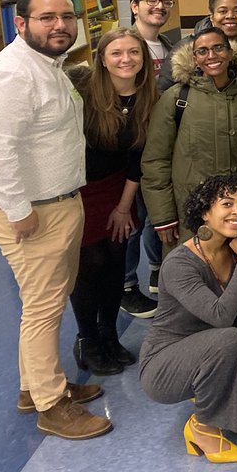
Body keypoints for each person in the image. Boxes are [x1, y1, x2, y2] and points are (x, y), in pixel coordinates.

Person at [0, 0, 112, 440]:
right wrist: (19, 211)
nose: (59, 24)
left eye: (66, 15)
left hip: (58, 203)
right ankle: (50, 405)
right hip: (33, 214)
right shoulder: (14, 74)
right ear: (21, 23)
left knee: (41, 306)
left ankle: (34, 388)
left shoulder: (48, 65)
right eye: (46, 17)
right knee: (43, 309)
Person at [138, 173, 237, 463]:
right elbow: (221, 317)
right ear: (205, 213)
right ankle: (203, 427)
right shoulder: (180, 264)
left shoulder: (230, 251)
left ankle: (220, 414)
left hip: (215, 348)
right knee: (228, 337)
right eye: (227, 204)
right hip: (164, 363)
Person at [68, 28, 158, 376]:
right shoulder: (85, 95)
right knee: (89, 266)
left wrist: (124, 207)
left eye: (133, 52)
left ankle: (109, 335)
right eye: (117, 53)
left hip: (121, 188)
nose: (126, 60)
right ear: (102, 60)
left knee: (115, 262)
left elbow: (139, 158)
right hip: (82, 189)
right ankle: (87, 340)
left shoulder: (150, 96)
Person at [142, 26, 237, 246]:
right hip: (191, 211)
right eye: (203, 51)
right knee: (191, 273)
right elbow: (156, 159)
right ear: (194, 58)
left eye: (218, 48)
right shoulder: (177, 97)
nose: (211, 56)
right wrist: (163, 216)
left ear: (230, 52)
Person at [124, 0, 173, 310]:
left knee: (158, 209)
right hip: (131, 145)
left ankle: (157, 271)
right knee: (132, 217)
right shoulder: (124, 45)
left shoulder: (169, 46)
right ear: (134, 6)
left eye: (165, 1)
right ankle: (126, 283)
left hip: (160, 142)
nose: (159, 6)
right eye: (151, 0)